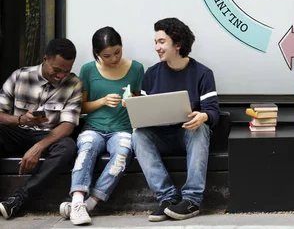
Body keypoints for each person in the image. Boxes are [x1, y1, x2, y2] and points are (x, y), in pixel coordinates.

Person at [132, 18, 219, 222]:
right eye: (156, 42)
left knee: (201, 128)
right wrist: (134, 107)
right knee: (138, 135)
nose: (157, 47)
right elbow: (145, 112)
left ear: (177, 44)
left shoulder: (203, 74)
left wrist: (203, 116)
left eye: (161, 42)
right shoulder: (152, 74)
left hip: (188, 134)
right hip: (161, 135)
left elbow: (213, 111)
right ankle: (167, 198)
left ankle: (191, 200)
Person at [59, 27, 144, 225]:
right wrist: (103, 101)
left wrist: (131, 101)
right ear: (96, 53)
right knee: (86, 150)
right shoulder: (88, 70)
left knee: (121, 156)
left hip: (123, 129)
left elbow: (140, 106)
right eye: (107, 55)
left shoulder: (137, 68)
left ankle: (90, 204)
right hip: (94, 128)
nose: (114, 59)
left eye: (118, 52)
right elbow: (80, 107)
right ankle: (78, 200)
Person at [0, 38, 82, 220]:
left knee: (68, 147)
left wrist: (39, 147)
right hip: (16, 131)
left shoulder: (74, 84)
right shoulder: (20, 76)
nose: (61, 76)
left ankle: (19, 199)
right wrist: (20, 119)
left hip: (47, 136)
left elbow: (68, 125)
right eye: (56, 70)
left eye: (66, 71)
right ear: (45, 59)